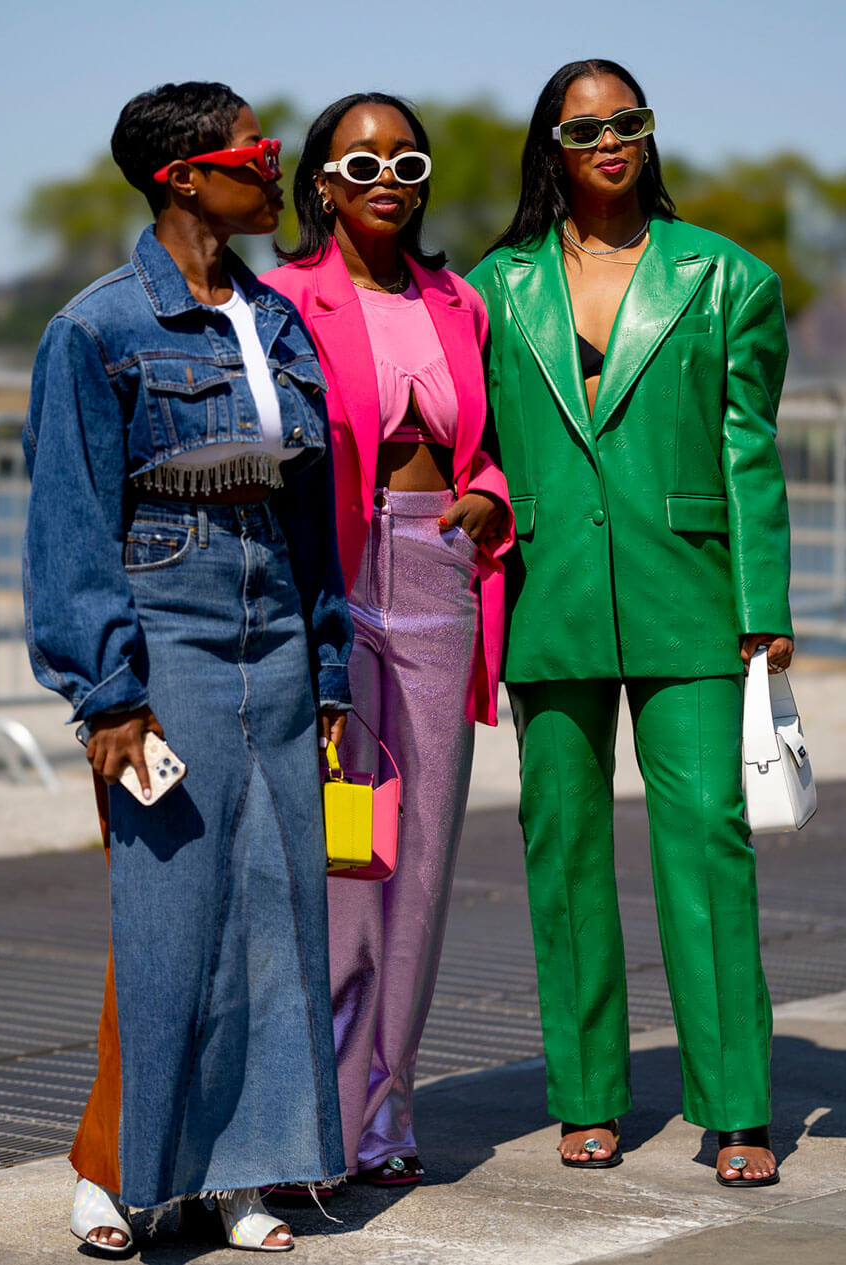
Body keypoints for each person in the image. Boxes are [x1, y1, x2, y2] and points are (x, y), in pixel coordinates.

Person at [23, 81, 352, 1253]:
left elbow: (313, 516)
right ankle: (115, 1177)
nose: (278, 170)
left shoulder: (276, 324)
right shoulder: (98, 329)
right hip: (168, 635)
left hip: (275, 632)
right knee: (167, 910)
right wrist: (105, 692)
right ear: (185, 179)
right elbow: (69, 523)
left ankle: (245, 1170)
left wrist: (326, 664)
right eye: (256, 153)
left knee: (277, 908)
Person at [467, 59, 792, 1187]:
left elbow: (749, 452)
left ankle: (740, 1103)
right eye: (586, 126)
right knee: (561, 852)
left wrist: (764, 611)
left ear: (651, 134)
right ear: (551, 144)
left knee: (708, 836)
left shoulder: (726, 277)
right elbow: (482, 450)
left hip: (691, 594)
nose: (612, 140)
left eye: (630, 122)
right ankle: (589, 1092)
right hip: (545, 593)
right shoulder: (493, 289)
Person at [261, 92, 513, 1186]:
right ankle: (316, 1108)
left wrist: (489, 503)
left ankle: (385, 1117)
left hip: (440, 580)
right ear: (319, 182)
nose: (385, 180)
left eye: (404, 161)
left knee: (420, 866)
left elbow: (491, 448)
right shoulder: (279, 299)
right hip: (335, 584)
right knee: (345, 857)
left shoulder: (460, 301)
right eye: (358, 163)